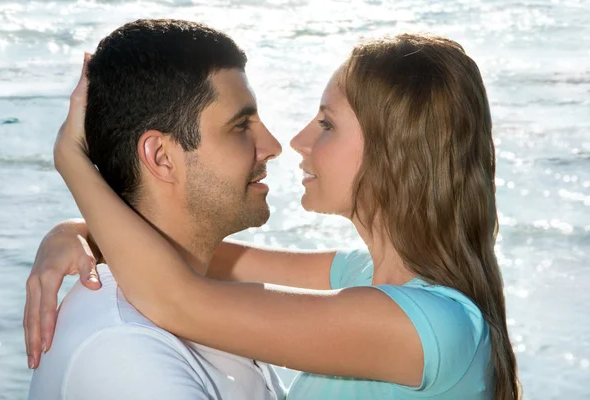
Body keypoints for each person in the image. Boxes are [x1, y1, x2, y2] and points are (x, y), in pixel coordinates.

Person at [26, 32, 521, 399]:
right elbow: (192, 255)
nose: (297, 142)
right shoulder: (362, 276)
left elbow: (177, 298)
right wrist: (77, 233)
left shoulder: (433, 326)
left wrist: (72, 160)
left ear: (397, 152)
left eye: (327, 124)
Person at [26, 19, 287, 400]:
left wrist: (80, 227)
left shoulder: (204, 296)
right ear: (162, 157)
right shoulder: (124, 351)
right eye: (240, 125)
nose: (273, 145)